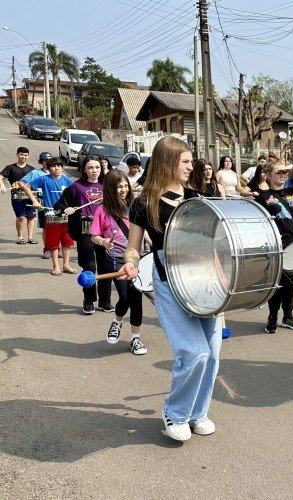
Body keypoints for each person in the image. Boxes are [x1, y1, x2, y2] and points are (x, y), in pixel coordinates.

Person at [120, 136, 220, 442]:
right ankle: (175, 412)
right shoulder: (143, 202)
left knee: (213, 353)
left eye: (192, 161)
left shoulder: (196, 199)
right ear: (168, 162)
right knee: (193, 351)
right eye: (186, 161)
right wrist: (130, 262)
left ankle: (197, 413)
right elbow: (133, 247)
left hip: (206, 277)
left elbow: (214, 241)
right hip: (169, 277)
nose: (193, 167)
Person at [248, 160, 293, 333]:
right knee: (277, 284)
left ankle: (288, 316)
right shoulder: (263, 196)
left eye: (284, 172)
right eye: (278, 172)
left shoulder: (292, 191)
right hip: (276, 244)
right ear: (268, 175)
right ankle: (272, 317)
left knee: (290, 283)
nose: (282, 175)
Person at [90, 169, 147, 355]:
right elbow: (94, 236)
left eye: (125, 186)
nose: (123, 190)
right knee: (125, 298)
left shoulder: (136, 206)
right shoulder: (102, 210)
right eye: (118, 187)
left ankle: (135, 339)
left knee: (136, 299)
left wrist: (153, 242)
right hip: (116, 260)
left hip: (138, 259)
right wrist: (104, 242)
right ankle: (117, 321)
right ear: (109, 189)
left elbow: (142, 230)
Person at [55, 157, 113, 314]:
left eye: (97, 167)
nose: (94, 170)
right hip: (85, 231)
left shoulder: (107, 187)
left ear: (101, 169)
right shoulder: (76, 186)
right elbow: (59, 205)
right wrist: (65, 209)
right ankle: (89, 300)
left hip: (104, 231)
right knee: (89, 266)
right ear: (84, 170)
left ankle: (105, 301)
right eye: (90, 167)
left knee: (105, 267)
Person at [21, 158, 75, 275]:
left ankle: (66, 265)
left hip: (66, 215)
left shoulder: (67, 180)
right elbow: (26, 186)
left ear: (62, 168)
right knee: (53, 243)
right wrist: (34, 200)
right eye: (53, 166)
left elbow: (75, 194)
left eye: (59, 166)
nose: (56, 168)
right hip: (50, 214)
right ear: (49, 168)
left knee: (67, 242)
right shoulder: (43, 179)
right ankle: (56, 267)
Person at [0, 147, 36, 245]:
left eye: (25, 155)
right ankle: (20, 236)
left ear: (28, 156)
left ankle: (30, 237)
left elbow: (37, 181)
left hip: (30, 196)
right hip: (17, 196)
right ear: (17, 155)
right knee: (21, 217)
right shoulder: (10, 167)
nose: (23, 156)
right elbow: (1, 176)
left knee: (31, 217)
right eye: (21, 154)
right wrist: (2, 185)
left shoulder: (32, 169)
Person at [20, 152, 52, 258]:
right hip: (43, 203)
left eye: (49, 160)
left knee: (60, 227)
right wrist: (33, 198)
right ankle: (47, 249)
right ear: (41, 162)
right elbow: (22, 182)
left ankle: (58, 249)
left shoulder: (58, 172)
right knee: (46, 227)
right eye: (45, 160)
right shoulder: (35, 173)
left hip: (57, 203)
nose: (47, 162)